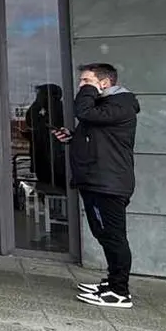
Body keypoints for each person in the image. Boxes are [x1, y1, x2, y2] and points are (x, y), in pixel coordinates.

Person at [54, 63, 139, 308]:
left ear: (104, 82)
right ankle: (112, 282)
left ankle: (119, 291)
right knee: (104, 234)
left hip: (108, 183)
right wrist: (72, 136)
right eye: (82, 81)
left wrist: (88, 92)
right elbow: (97, 135)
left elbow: (85, 113)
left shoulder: (120, 104)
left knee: (113, 237)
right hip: (98, 181)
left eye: (86, 81)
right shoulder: (106, 107)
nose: (82, 86)